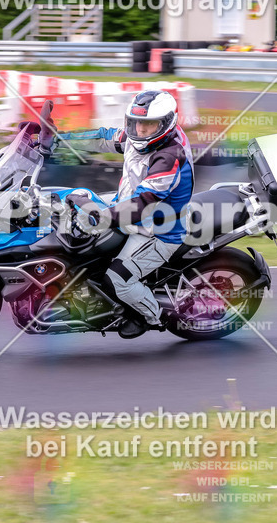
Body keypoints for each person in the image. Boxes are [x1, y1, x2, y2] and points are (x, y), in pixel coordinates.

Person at [56, 90, 194, 339]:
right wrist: (57, 139)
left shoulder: (169, 157)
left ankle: (153, 316)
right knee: (74, 200)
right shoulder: (140, 137)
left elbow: (143, 203)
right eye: (136, 122)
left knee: (117, 279)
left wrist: (102, 217)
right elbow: (103, 138)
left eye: (149, 124)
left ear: (166, 123)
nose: (140, 129)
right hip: (130, 208)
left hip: (158, 231)